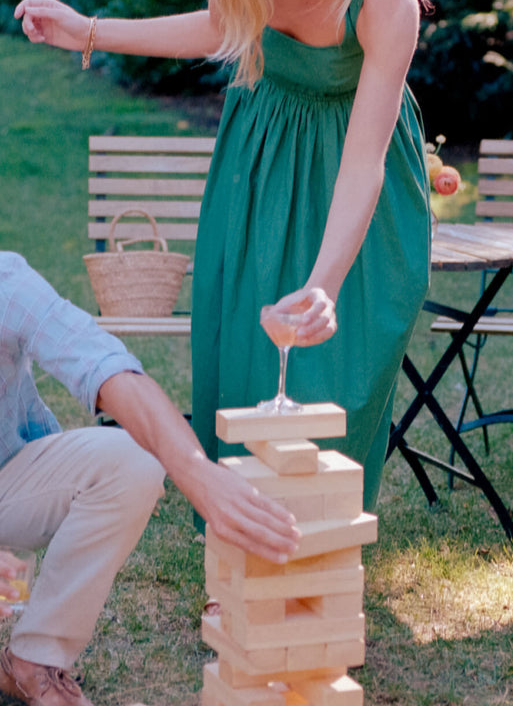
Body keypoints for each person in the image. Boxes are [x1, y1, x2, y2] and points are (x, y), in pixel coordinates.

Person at [16, 0, 432, 511]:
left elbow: (364, 163)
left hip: (357, 187)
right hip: (260, 168)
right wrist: (87, 29)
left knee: (336, 373)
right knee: (239, 359)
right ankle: (235, 559)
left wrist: (325, 283)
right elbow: (213, 29)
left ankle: (318, 555)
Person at [0, 251, 300, 706]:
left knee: (131, 461)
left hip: (10, 480)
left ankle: (33, 659)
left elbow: (99, 361)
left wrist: (198, 474)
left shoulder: (7, 284)